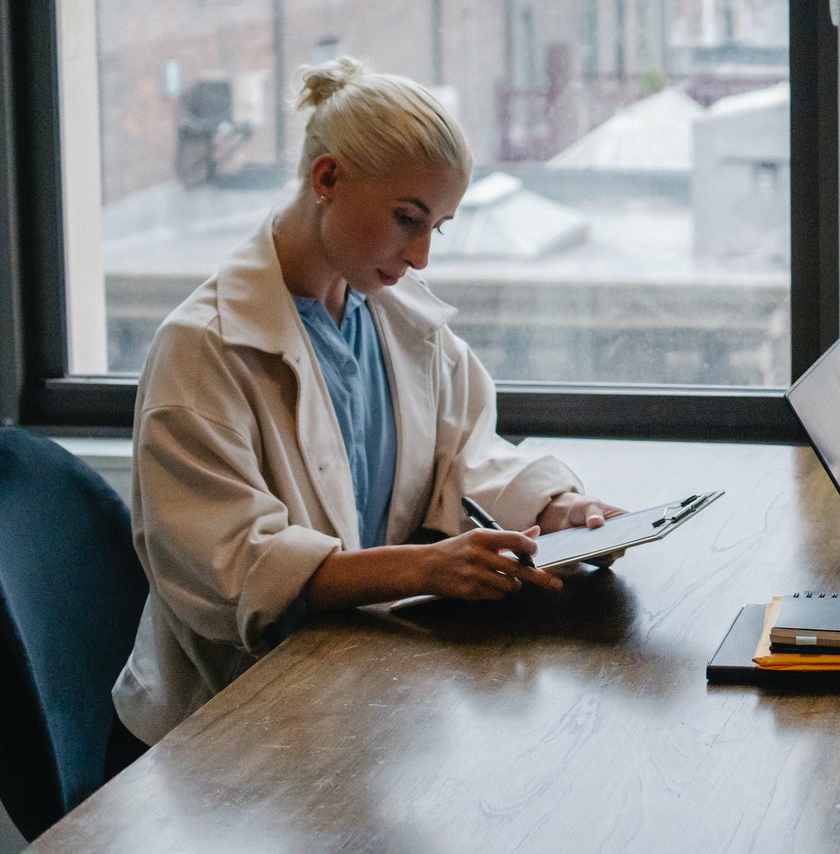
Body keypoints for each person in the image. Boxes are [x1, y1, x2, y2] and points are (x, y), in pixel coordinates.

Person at [111, 58, 623, 756]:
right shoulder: (203, 349)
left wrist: (556, 510)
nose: (419, 258)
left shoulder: (391, 315)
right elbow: (233, 568)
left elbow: (461, 456)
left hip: (350, 696)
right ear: (327, 178)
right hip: (218, 730)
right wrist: (422, 568)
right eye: (406, 219)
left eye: (436, 228)